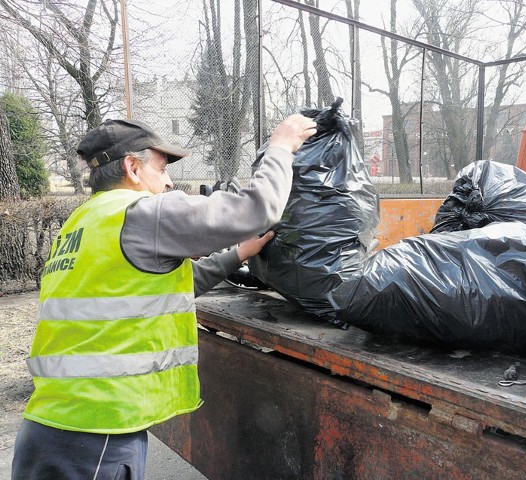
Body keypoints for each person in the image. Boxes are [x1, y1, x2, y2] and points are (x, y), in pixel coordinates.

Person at [11, 114, 317, 480]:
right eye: (162, 168)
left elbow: (149, 291)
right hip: (99, 435)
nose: (169, 180)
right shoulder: (141, 213)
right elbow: (257, 209)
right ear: (132, 168)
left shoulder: (80, 224)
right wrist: (282, 145)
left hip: (48, 426)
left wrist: (237, 256)